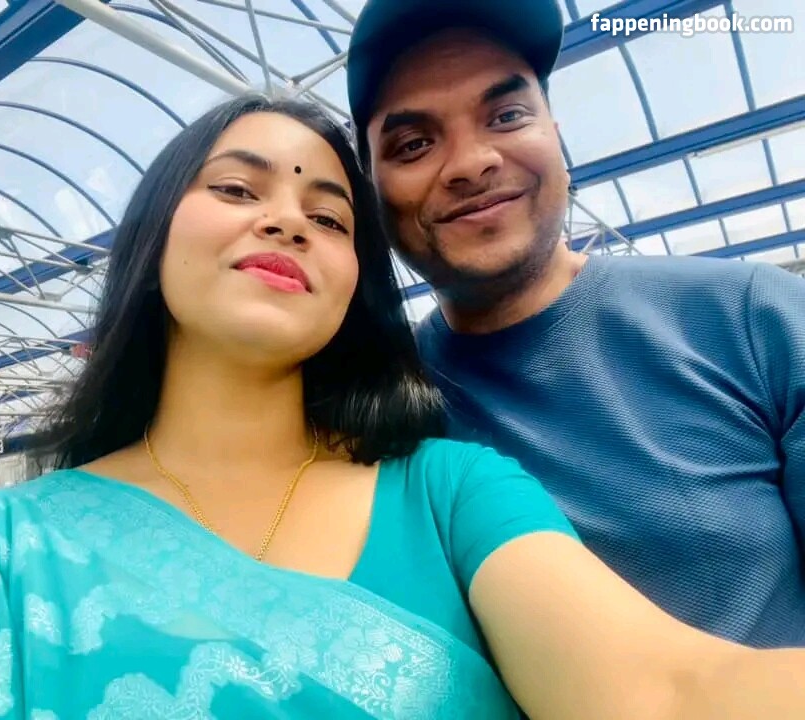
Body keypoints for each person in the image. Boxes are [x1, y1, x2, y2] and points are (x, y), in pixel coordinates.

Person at [0, 94, 805, 719]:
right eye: (237, 187)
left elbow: (666, 691)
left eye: (330, 217)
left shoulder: (452, 494)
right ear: (151, 239)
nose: (286, 219)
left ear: (356, 286)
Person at [345, 0, 805, 648]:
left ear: (556, 136)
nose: (472, 162)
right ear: (372, 194)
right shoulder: (379, 412)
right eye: (414, 144)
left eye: (507, 115)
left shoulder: (756, 317)